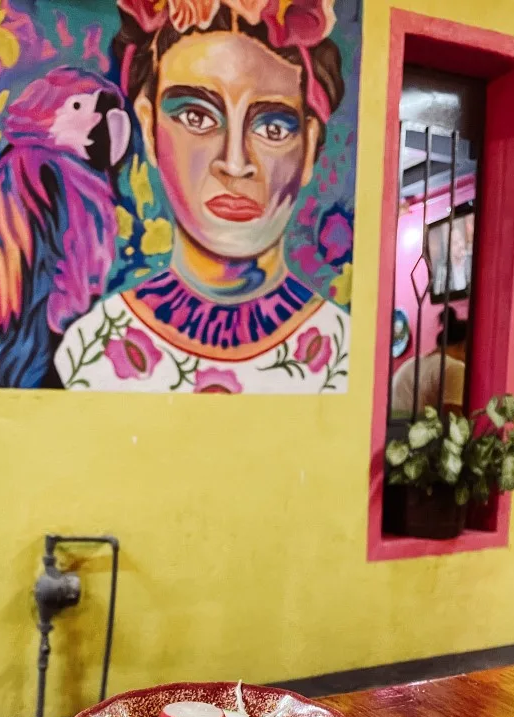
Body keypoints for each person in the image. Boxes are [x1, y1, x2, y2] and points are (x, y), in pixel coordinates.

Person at [52, 0, 351, 394]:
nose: (235, 163)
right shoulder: (88, 354)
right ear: (148, 127)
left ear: (310, 148)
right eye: (197, 117)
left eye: (273, 128)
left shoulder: (344, 355)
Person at [390, 306, 467, 418]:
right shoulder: (454, 367)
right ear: (464, 345)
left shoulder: (412, 363)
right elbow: (453, 422)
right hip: (413, 432)